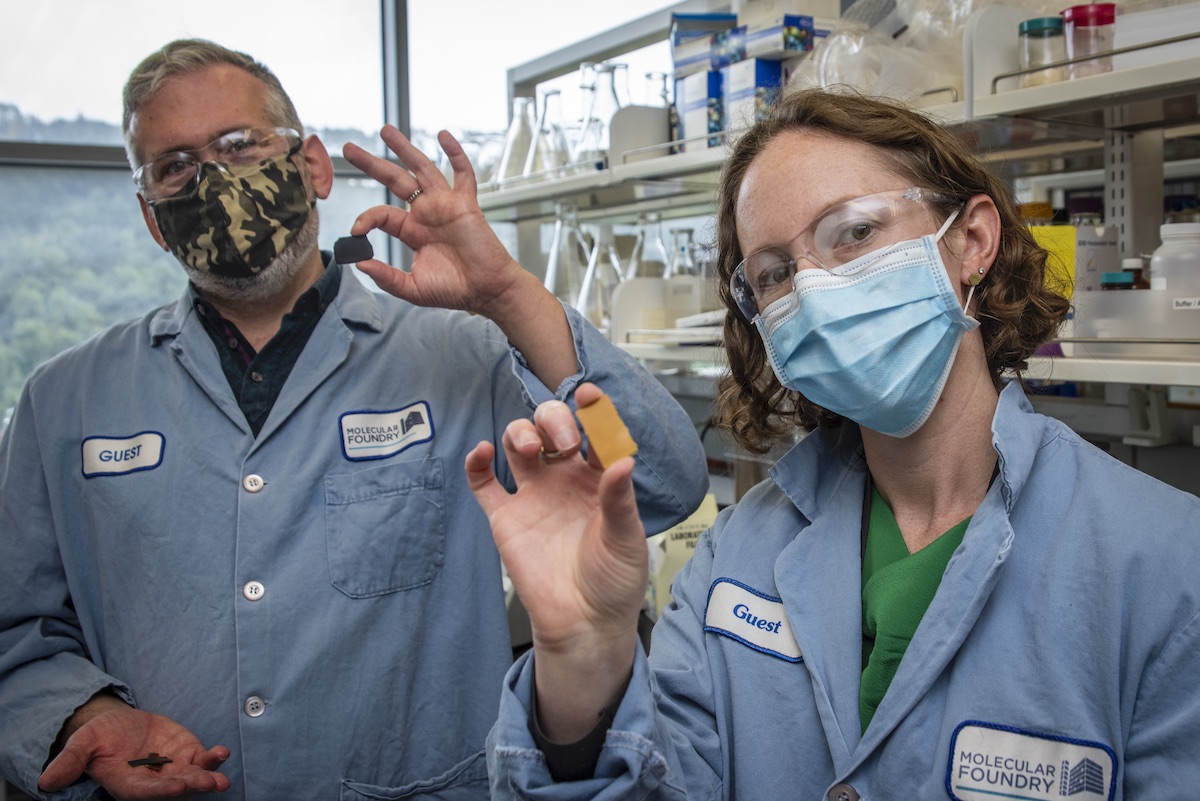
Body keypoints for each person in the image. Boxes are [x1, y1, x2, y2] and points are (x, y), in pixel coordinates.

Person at [0, 38, 709, 801]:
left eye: (239, 145)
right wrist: (84, 714)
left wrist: (509, 295)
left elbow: (657, 478)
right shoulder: (64, 402)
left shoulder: (461, 357)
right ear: (151, 215)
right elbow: (17, 635)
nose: (214, 180)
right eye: (176, 166)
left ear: (313, 167)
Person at [475, 87, 1200, 799]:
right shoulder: (733, 559)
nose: (813, 292)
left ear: (971, 240)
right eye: (775, 272)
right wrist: (581, 660)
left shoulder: (1165, 563)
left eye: (852, 232)